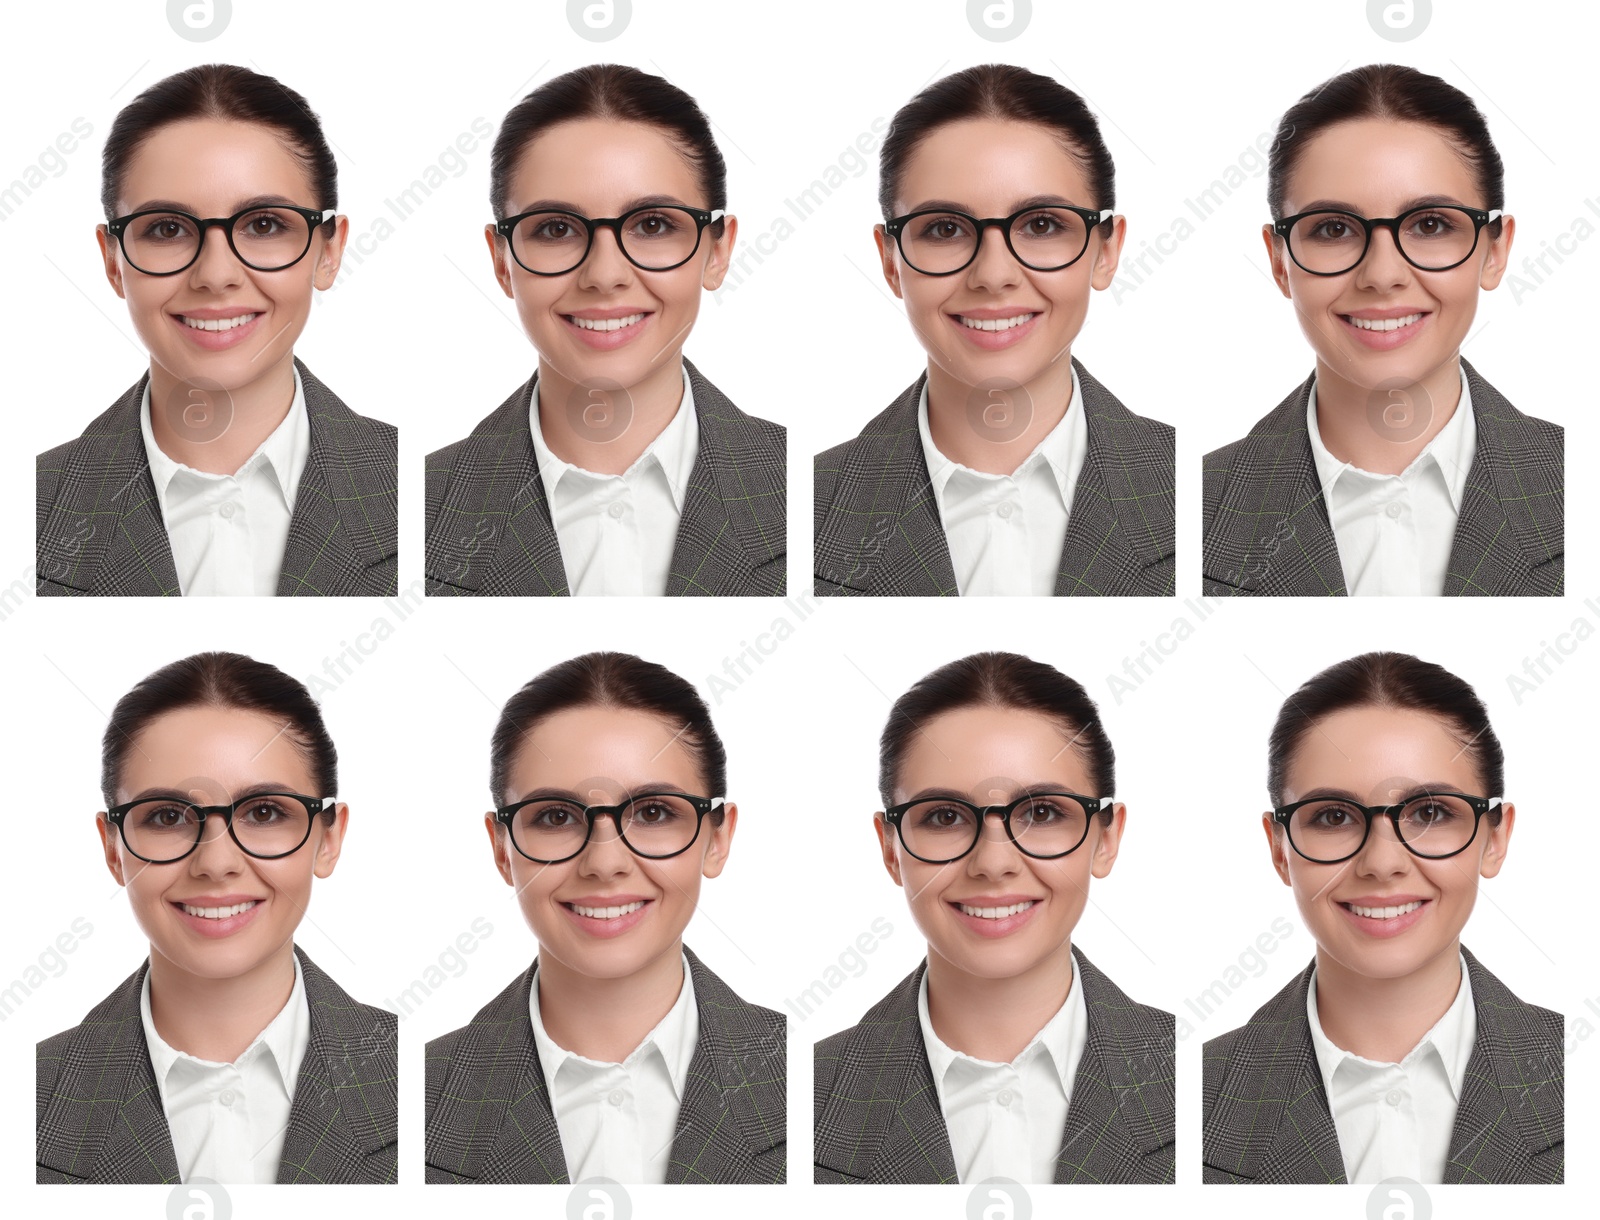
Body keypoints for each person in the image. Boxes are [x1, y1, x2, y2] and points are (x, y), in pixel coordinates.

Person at [37, 64, 397, 597]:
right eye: (166, 229)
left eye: (264, 225)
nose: (216, 275)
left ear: (329, 251)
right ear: (114, 261)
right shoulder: (29, 513)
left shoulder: (413, 491)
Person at [814, 65, 1174, 597]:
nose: (993, 275)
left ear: (1106, 251)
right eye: (944, 229)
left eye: (1042, 225)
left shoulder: (1192, 491)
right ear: (891, 261)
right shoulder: (806, 509)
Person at [426, 65, 786, 597]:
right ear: (502, 261)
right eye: (555, 229)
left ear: (718, 251)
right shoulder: (416, 509)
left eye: (653, 225)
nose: (604, 275)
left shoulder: (801, 492)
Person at [36, 652, 396, 1184]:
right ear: (113, 849)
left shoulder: (421, 1082)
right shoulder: (25, 1101)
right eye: (166, 817)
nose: (216, 863)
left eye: (264, 812)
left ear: (329, 838)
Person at [1203, 652, 1562, 1184]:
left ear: (1495, 838)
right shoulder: (1194, 1097)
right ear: (1279, 849)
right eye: (1333, 817)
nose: (1382, 863)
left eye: (1430, 813)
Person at [814, 652, 1174, 1183]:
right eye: (944, 817)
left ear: (1106, 838)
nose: (994, 863)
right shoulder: (803, 1098)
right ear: (891, 848)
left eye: (1043, 813)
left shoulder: (1198, 1081)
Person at [425, 652, 785, 1183]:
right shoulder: (414, 1097)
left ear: (718, 838)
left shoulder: (809, 1081)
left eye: (653, 813)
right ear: (502, 849)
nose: (605, 863)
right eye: (555, 817)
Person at [1203, 65, 1561, 597]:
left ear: (1495, 251)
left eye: (1431, 225)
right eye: (1333, 229)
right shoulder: (1196, 508)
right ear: (1280, 261)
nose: (1382, 275)